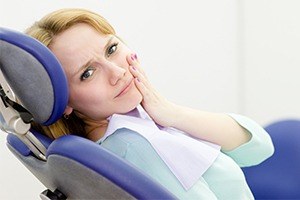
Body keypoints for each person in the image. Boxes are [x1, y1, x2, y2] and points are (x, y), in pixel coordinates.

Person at [27, 8, 274, 199]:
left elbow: (259, 146)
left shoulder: (131, 119)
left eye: (112, 48)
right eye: (88, 73)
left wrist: (170, 112)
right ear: (64, 102)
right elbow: (259, 151)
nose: (117, 72)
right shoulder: (132, 146)